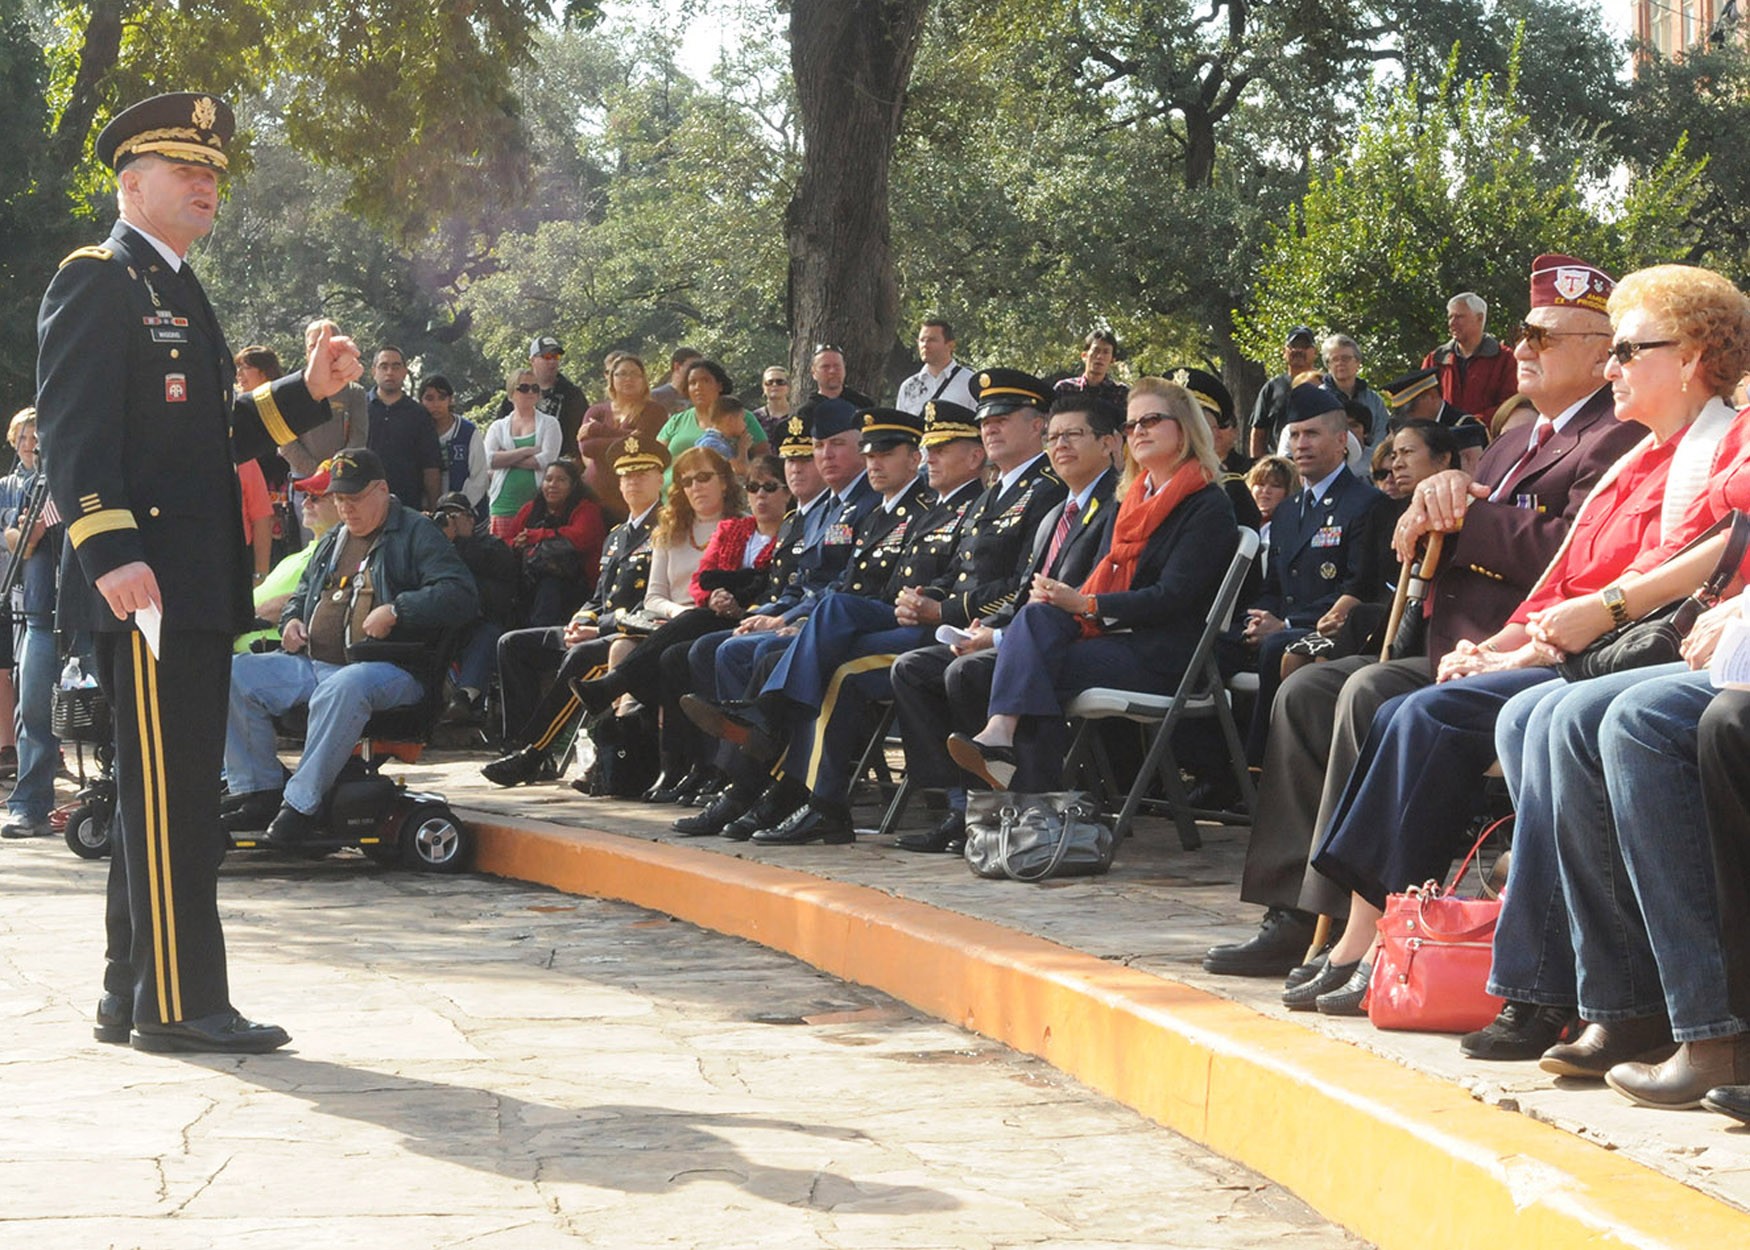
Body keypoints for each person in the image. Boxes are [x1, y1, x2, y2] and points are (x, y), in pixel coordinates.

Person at [1299, 264, 1750, 1021]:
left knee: (1495, 716)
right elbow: (1561, 581)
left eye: (1626, 350)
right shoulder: (1621, 458)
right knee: (1370, 696)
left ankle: (1565, 988)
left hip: (1651, 648)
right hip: (1575, 642)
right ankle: (1362, 935)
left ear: (1693, 356)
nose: (1613, 367)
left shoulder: (1688, 445)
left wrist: (1529, 641)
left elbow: (1657, 571)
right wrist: (1505, 648)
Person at [1205, 253, 1642, 981]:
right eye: (1523, 333)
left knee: (1364, 693)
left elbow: (1572, 557)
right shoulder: (1513, 440)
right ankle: (1296, 910)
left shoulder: (1615, 435)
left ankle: (1368, 923)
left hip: (1525, 654)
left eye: (1543, 336)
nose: (1522, 348)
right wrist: (1430, 509)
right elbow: (1453, 530)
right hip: (1451, 640)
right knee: (1306, 691)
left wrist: (1461, 511)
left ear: (1603, 356)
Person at [35, 92, 363, 1054]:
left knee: (161, 791)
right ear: (131, 185)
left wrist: (311, 393)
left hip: (190, 583)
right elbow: (73, 432)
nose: (206, 182)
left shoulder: (175, 284)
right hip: (148, 587)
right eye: (185, 169)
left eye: (212, 170)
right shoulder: (99, 278)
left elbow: (209, 436)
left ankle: (130, 990)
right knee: (175, 797)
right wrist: (110, 550)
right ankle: (179, 1006)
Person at [946, 377, 1236, 792]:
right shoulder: (1129, 500)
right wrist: (1071, 603)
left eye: (1152, 420)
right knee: (1029, 622)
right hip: (1112, 638)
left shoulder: (1208, 505)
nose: (1138, 431)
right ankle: (1015, 766)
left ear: (1185, 428)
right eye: (1132, 424)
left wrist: (1086, 604)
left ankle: (1035, 795)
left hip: (1168, 652)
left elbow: (1173, 598)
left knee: (1031, 666)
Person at [885, 395, 1115, 853]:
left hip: (1077, 636)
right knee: (913, 668)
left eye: (1072, 435)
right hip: (1023, 627)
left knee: (967, 671)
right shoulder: (1056, 511)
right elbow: (1024, 585)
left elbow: (1073, 593)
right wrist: (978, 627)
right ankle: (960, 806)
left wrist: (994, 633)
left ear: (1109, 443)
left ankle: (1019, 807)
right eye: (1056, 438)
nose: (1061, 445)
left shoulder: (1108, 503)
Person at [221, 448, 476, 844]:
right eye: (339, 499)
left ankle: (301, 805)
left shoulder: (414, 532)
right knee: (233, 674)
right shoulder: (333, 540)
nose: (345, 508)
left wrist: (398, 608)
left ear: (382, 490)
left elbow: (460, 594)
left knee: (344, 687)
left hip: (392, 669)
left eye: (354, 499)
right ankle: (258, 790)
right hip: (315, 663)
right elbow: (301, 593)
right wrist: (292, 620)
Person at [568, 452, 796, 800]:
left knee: (683, 646)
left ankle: (617, 692)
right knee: (671, 657)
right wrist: (716, 597)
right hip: (695, 619)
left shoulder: (788, 530)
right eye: (753, 487)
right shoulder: (732, 531)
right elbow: (700, 582)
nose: (760, 496)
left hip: (744, 620)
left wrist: (737, 606)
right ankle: (676, 767)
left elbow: (778, 588)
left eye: (769, 487)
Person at [481, 436, 665, 785]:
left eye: (642, 474)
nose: (632, 482)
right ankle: (520, 743)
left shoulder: (667, 531)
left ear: (660, 479)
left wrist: (596, 629)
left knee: (582, 654)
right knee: (512, 644)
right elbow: (598, 595)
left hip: (632, 635)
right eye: (626, 475)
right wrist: (582, 619)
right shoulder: (616, 536)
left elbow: (650, 604)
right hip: (599, 627)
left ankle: (533, 753)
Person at [0, 408, 63, 839]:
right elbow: (20, 544)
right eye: (25, 436)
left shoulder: (79, 472)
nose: (32, 442)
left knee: (110, 716)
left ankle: (121, 806)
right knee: (35, 711)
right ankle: (30, 805)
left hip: (96, 613)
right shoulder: (27, 485)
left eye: (37, 434)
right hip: (40, 613)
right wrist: (31, 530)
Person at [431, 491, 519, 724]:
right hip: (442, 622)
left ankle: (463, 699)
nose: (448, 520)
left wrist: (457, 542)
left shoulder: (492, 545)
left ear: (471, 518)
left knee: (487, 636)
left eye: (454, 515)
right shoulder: (431, 549)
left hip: (482, 620)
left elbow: (497, 582)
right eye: (443, 515)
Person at [504, 459, 606, 627]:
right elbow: (507, 540)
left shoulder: (586, 509)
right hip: (528, 577)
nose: (553, 485)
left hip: (575, 582)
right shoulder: (530, 509)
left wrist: (538, 535)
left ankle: (539, 641)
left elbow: (581, 537)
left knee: (550, 585)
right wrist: (517, 543)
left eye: (561, 480)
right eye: (548, 479)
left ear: (573, 485)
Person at [576, 352, 666, 519]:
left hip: (635, 498)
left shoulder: (654, 411)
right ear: (611, 378)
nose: (628, 378)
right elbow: (587, 448)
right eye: (622, 374)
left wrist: (599, 430)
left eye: (634, 374)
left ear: (643, 380)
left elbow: (641, 444)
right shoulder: (596, 411)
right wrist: (628, 436)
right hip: (594, 496)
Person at [235, 346, 299, 564]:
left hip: (280, 496)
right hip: (246, 499)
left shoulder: (282, 401)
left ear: (263, 371)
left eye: (245, 368)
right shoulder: (235, 407)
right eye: (238, 369)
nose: (239, 375)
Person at [484, 366, 562, 538]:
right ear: (512, 393)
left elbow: (546, 460)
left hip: (536, 505)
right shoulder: (498, 427)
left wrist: (506, 457)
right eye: (524, 388)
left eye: (535, 388)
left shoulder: (550, 423)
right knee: (501, 559)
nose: (530, 392)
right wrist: (526, 451)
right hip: (502, 506)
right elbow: (489, 460)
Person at [655, 358, 768, 475]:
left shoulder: (741, 416)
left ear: (719, 385)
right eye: (692, 383)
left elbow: (764, 460)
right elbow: (655, 458)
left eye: (705, 381)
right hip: (669, 490)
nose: (698, 387)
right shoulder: (676, 421)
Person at [365, 346, 442, 510]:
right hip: (363, 502)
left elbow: (431, 466)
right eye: (383, 366)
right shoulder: (359, 408)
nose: (390, 372)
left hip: (408, 506)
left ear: (405, 372)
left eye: (396, 366)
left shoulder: (419, 414)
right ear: (373, 371)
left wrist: (434, 509)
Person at [1424, 291, 1519, 421]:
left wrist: (1471, 423)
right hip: (1442, 438)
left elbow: (1511, 405)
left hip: (1489, 438)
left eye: (1459, 317)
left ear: (1479, 318)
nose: (1452, 323)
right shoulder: (1435, 359)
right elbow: (1423, 403)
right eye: (1450, 317)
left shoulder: (1506, 359)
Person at [496, 333, 589, 450]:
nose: (552, 362)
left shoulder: (572, 395)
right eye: (547, 357)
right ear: (532, 360)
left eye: (556, 357)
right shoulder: (516, 394)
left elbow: (583, 434)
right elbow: (498, 436)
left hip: (561, 462)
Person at [421, 374, 488, 517]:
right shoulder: (417, 432)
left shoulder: (467, 431)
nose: (436, 404)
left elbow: (479, 476)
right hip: (429, 512)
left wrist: (457, 507)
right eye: (429, 398)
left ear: (451, 400)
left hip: (467, 514)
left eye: (442, 397)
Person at [1249, 326, 1319, 458]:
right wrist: (1258, 466)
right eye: (1293, 345)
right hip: (1279, 468)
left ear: (1314, 352)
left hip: (1317, 466)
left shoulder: (1324, 386)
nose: (1298, 350)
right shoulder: (1271, 388)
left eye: (1304, 346)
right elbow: (1258, 434)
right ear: (1284, 352)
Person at [1320, 334, 1390, 447]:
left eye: (1346, 358)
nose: (1340, 363)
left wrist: (1368, 460)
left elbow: (1382, 434)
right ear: (1328, 365)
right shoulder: (1317, 398)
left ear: (1358, 362)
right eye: (1334, 359)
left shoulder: (1374, 400)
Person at [897, 318, 976, 414]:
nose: (925, 345)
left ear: (950, 345)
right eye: (922, 340)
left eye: (931, 340)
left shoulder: (970, 382)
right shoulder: (908, 386)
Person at [1053, 329, 1128, 410]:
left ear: (1112, 360)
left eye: (1106, 352)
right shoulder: (1065, 389)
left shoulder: (1120, 393)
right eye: (1096, 350)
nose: (1100, 356)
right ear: (1084, 356)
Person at [650, 346, 703, 415]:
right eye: (692, 367)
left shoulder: (699, 397)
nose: (696, 372)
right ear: (677, 367)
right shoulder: (656, 397)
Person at [751, 365, 794, 443]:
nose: (774, 385)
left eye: (780, 382)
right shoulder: (754, 418)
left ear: (788, 387)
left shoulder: (798, 415)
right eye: (769, 382)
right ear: (763, 387)